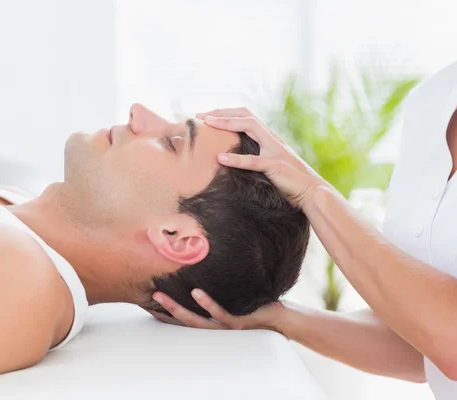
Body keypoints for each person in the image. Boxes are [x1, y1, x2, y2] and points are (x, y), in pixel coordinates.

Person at [0, 103, 310, 393]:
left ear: (176, 238)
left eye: (171, 142)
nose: (139, 114)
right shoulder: (13, 207)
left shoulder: (13, 280)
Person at [150, 61, 457, 400]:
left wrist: (312, 192)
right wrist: (281, 318)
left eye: (173, 142)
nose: (138, 115)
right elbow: (419, 348)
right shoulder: (430, 101)